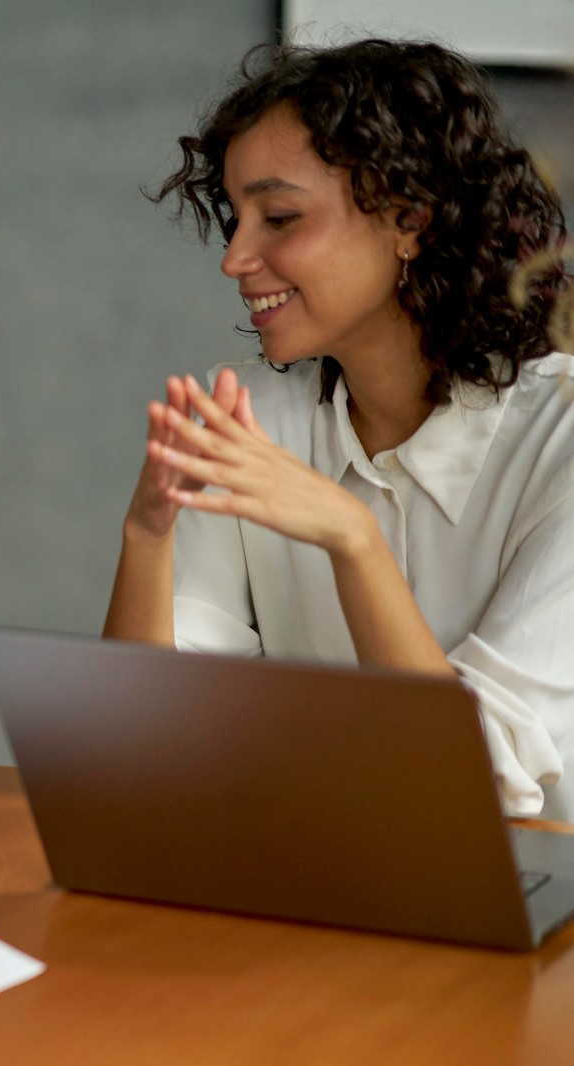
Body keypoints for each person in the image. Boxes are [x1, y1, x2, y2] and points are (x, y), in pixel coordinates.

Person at [103, 39, 574, 817]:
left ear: (409, 218)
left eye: (279, 216)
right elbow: (139, 741)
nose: (234, 257)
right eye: (234, 218)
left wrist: (351, 536)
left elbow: (455, 787)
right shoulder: (250, 418)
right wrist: (145, 537)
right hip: (326, 877)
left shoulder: (560, 442)